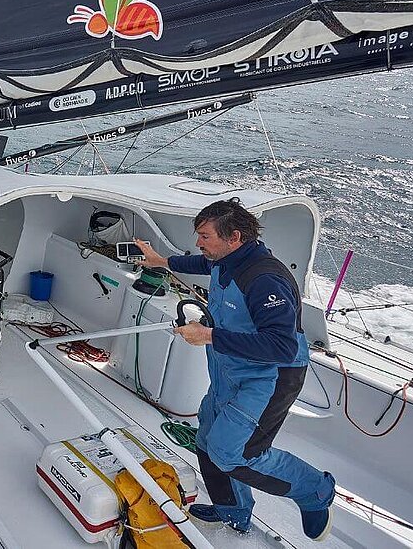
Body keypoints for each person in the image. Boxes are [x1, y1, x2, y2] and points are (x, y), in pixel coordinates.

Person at [134, 198, 335, 541]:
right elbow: (201, 262)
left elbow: (282, 346)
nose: (199, 243)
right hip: (230, 373)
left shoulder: (264, 280)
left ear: (234, 237)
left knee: (235, 453)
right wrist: (162, 261)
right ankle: (233, 510)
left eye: (205, 236)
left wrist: (208, 335)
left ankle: (315, 491)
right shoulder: (225, 259)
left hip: (269, 378)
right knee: (206, 441)